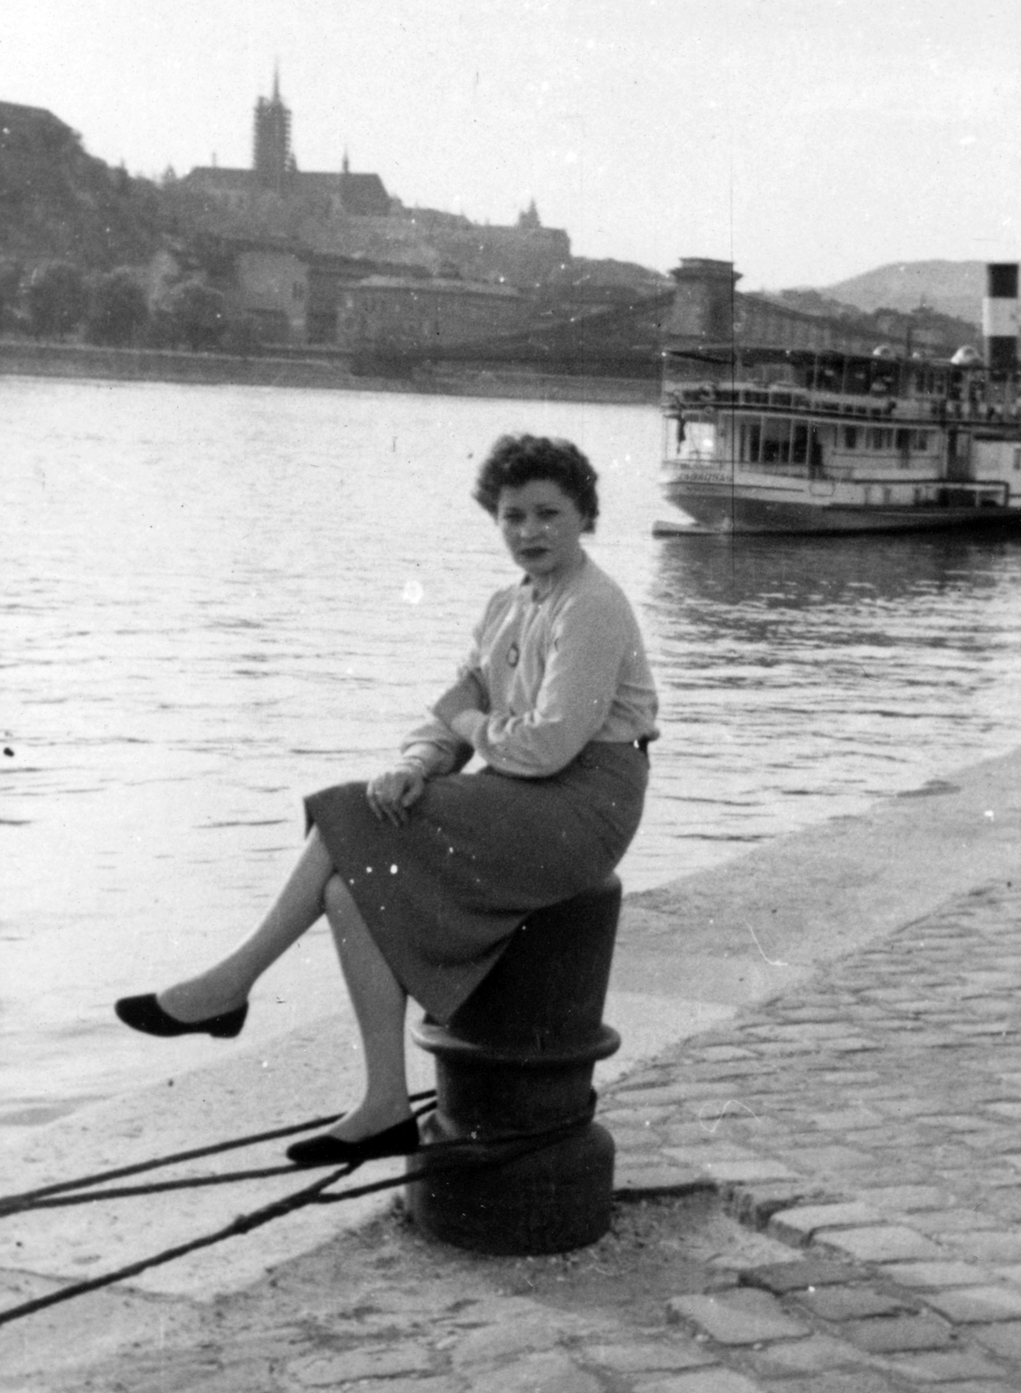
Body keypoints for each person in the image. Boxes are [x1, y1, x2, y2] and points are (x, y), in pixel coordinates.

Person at [115, 434, 659, 1166]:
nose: (529, 532)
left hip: (583, 805)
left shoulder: (590, 605)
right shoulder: (507, 604)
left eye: (548, 514)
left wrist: (463, 720)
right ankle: (382, 1105)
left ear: (583, 517)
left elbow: (545, 746)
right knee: (347, 892)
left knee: (346, 815)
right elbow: (453, 714)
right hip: (520, 792)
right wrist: (417, 763)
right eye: (511, 516)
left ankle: (232, 983)